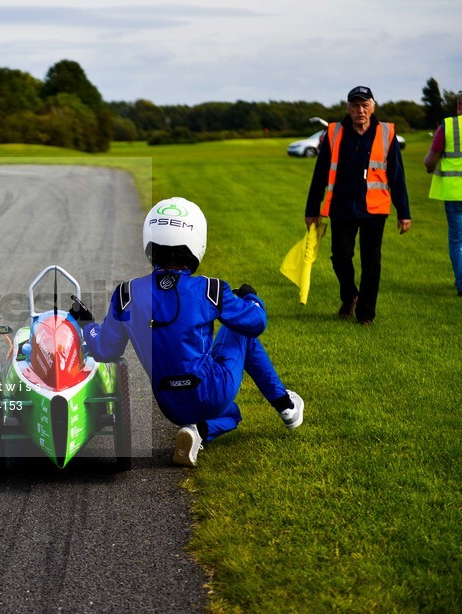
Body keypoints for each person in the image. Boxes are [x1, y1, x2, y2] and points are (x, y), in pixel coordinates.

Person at [69, 197, 304, 467]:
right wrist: (252, 298)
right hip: (212, 391)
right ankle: (287, 406)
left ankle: (195, 432)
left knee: (233, 414)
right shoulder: (210, 289)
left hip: (170, 405)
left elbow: (105, 350)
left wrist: (87, 324)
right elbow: (256, 323)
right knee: (241, 335)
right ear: (197, 241)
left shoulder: (126, 294)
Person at [303, 86, 412, 325]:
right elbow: (320, 174)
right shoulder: (334, 133)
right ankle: (350, 294)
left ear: (373, 107)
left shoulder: (386, 134)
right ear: (348, 108)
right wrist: (312, 209)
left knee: (371, 262)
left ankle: (366, 314)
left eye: (364, 105)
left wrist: (404, 212)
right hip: (341, 207)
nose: (360, 110)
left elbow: (397, 175)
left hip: (374, 209)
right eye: (355, 105)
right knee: (340, 256)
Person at [423, 91, 462, 296]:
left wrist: (430, 168)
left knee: (457, 240)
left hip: (454, 192)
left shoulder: (448, 126)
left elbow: (430, 161)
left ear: (458, 105)